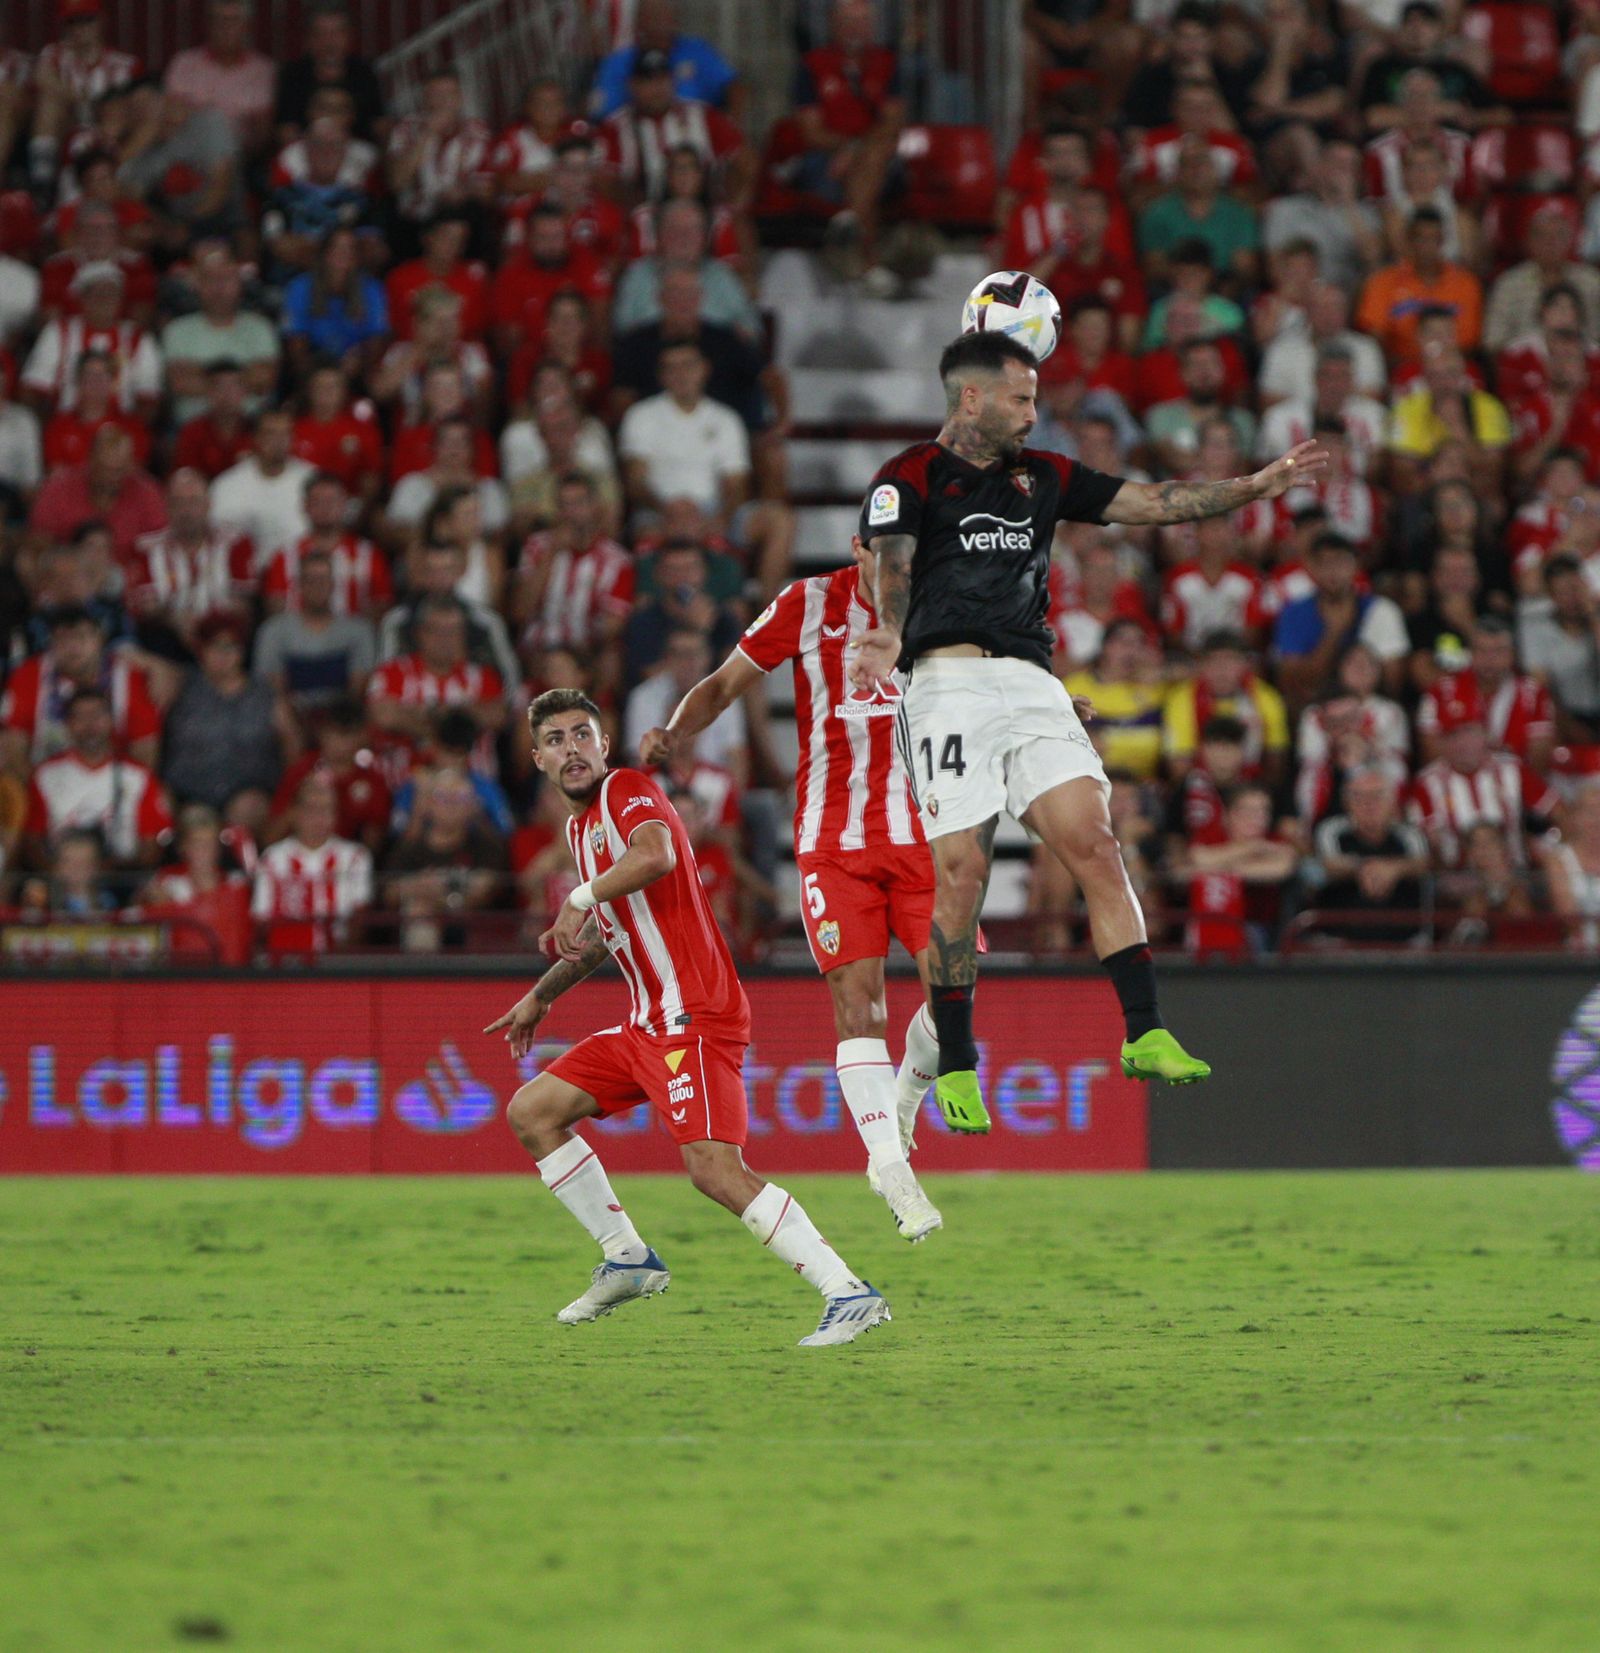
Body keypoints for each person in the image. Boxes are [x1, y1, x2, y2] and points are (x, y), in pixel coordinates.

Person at [852, 330, 1329, 1123]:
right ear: (971, 397)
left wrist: (1255, 486)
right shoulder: (908, 476)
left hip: (1034, 681)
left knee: (1097, 843)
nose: (1034, 415)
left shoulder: (1044, 477)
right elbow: (893, 565)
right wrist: (892, 634)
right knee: (962, 873)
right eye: (1021, 398)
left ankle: (1144, 1030)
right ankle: (960, 1061)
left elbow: (1149, 503)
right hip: (946, 684)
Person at [485, 688, 890, 1345]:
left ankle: (847, 1290)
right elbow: (610, 931)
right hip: (648, 1021)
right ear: (536, 757)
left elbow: (657, 855)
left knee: (713, 1169)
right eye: (556, 739)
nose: (572, 748)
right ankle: (626, 1256)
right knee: (532, 1111)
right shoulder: (579, 829)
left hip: (694, 1013)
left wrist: (579, 895)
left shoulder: (627, 790)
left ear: (604, 743)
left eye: (582, 733)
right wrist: (543, 993)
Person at [640, 531, 945, 1236]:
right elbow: (722, 683)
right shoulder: (807, 603)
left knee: (954, 993)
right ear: (856, 546)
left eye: (905, 553)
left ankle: (899, 1108)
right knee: (857, 1006)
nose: (894, 565)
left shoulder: (937, 602)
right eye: (882, 551)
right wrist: (676, 731)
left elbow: (993, 681)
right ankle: (891, 1171)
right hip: (831, 843)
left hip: (925, 835)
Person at [1310, 765, 1431, 943]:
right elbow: (1329, 865)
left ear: (1392, 802)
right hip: (1338, 941)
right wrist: (1364, 868)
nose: (1368, 804)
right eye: (1358, 797)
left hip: (1405, 942)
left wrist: (1394, 869)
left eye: (1377, 796)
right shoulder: (1331, 830)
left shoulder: (1409, 834)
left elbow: (1423, 864)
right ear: (1346, 803)